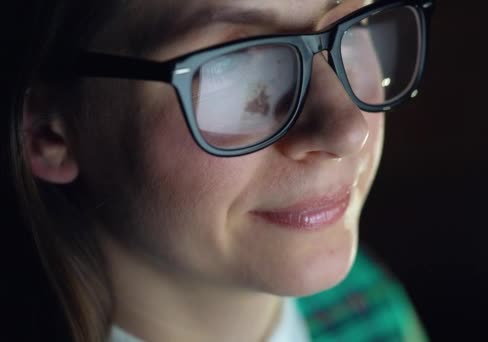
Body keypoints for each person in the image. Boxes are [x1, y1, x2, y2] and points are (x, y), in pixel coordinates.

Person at [3, 0, 434, 341]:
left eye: (355, 24)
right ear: (48, 132)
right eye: (237, 62)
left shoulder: (366, 309)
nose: (346, 130)